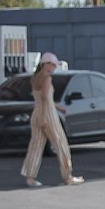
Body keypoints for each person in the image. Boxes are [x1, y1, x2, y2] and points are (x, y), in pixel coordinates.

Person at [20, 52, 84, 188]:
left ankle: (30, 177)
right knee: (61, 144)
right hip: (47, 115)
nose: (54, 67)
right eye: (53, 64)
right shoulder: (47, 79)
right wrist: (46, 116)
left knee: (35, 147)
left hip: (36, 113)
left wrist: (58, 107)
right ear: (45, 64)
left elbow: (42, 98)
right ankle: (68, 176)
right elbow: (44, 98)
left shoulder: (35, 78)